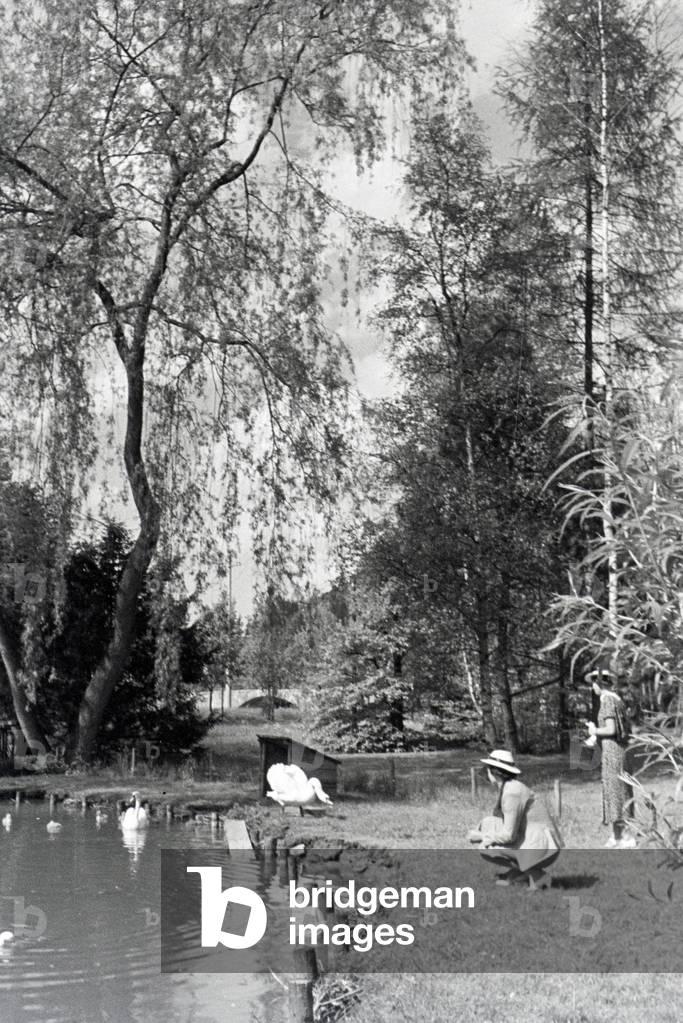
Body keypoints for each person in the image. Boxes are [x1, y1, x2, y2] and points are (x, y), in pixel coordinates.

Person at [467, 749, 561, 891]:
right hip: (536, 840)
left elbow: (509, 836)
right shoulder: (510, 787)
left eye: (487, 769)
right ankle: (519, 873)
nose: (484, 772)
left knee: (487, 847)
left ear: (493, 772)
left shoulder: (512, 793)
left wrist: (482, 837)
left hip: (543, 847)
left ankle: (538, 876)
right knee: (488, 823)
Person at [585, 668, 634, 848]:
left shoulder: (607, 700)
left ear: (599, 683)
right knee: (618, 791)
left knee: (616, 792)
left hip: (613, 752)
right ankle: (617, 835)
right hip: (619, 751)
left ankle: (626, 837)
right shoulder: (617, 700)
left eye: (594, 683)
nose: (593, 687)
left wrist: (594, 730)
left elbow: (611, 729)